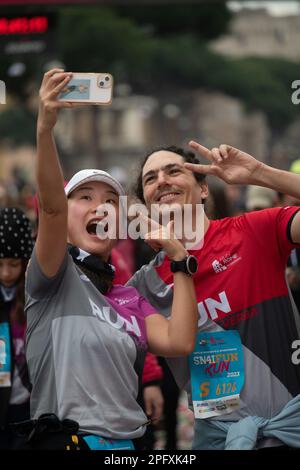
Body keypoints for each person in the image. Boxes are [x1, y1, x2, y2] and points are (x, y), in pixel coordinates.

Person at [21, 69, 198, 450]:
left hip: (128, 447)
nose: (99, 206)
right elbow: (50, 209)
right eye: (84, 197)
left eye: (109, 200)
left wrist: (180, 258)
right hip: (68, 442)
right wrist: (45, 126)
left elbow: (180, 341)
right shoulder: (53, 278)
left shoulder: (129, 296)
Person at [128, 142, 300, 450]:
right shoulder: (144, 285)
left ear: (204, 188)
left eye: (174, 170)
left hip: (291, 427)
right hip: (218, 439)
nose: (162, 181)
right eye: (150, 178)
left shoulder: (253, 231)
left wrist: (259, 173)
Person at [0, 208, 34, 449]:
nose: (6, 273)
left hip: (28, 409)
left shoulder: (33, 300)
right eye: (0, 264)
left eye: (13, 264)